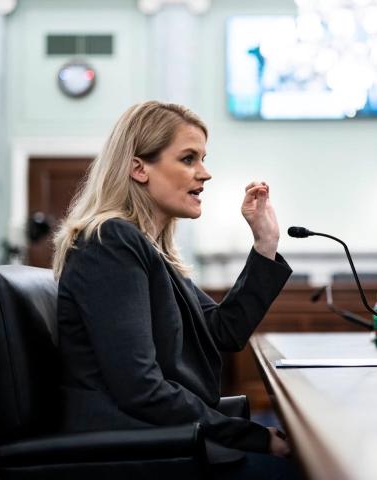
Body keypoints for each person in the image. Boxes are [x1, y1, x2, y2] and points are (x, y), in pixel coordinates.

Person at [52, 101, 299, 479]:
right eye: (188, 159)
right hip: (136, 450)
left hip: (164, 437)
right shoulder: (111, 242)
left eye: (202, 158)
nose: (206, 173)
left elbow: (222, 332)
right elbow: (141, 388)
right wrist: (253, 437)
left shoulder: (147, 248)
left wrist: (265, 243)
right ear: (138, 168)